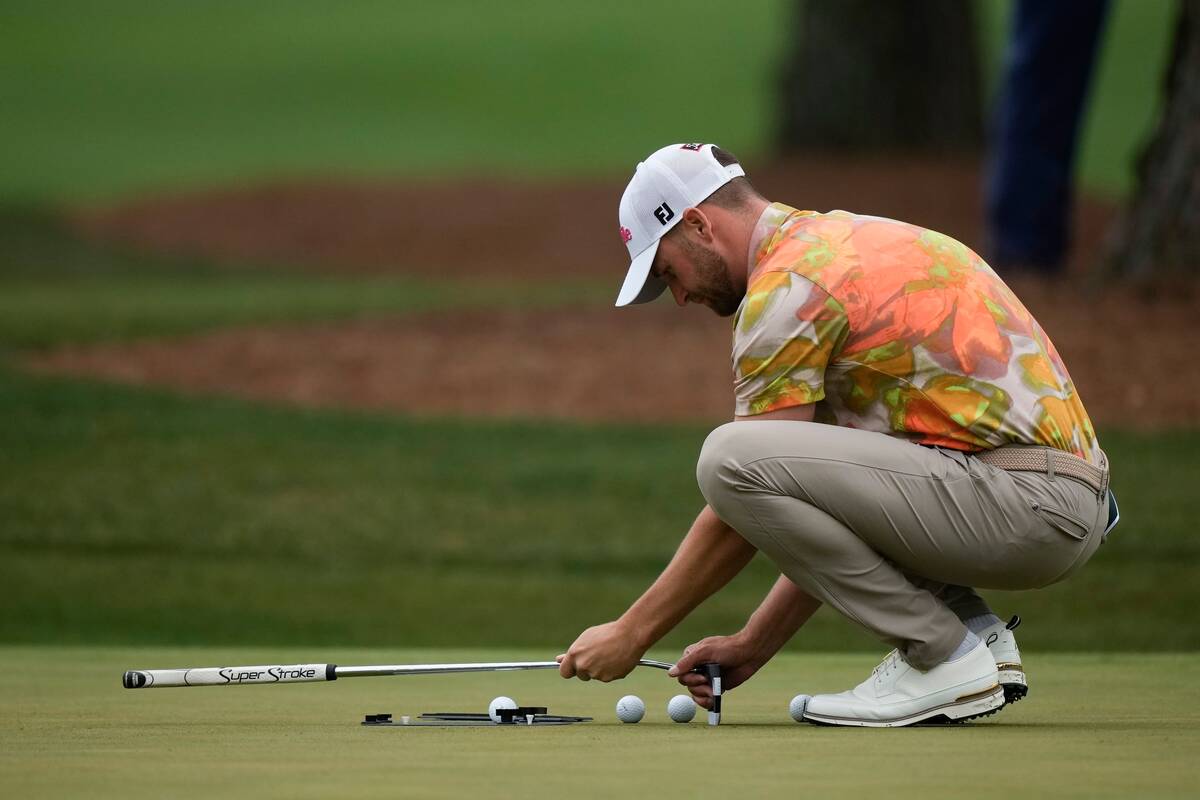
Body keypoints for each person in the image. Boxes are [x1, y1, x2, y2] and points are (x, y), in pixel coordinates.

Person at [557, 143, 1118, 727]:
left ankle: (942, 656)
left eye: (668, 271)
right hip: (1054, 503)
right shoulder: (855, 241)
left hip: (1025, 505)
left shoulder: (786, 289)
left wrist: (633, 631)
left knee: (727, 458)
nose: (680, 297)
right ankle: (975, 638)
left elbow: (740, 493)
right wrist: (755, 643)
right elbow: (818, 509)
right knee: (757, 461)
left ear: (698, 224)